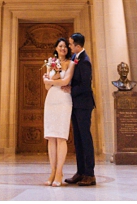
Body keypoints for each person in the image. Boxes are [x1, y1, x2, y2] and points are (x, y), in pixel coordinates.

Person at [41, 37, 76, 186]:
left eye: (65, 47)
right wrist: (54, 72)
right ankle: (52, 171)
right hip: (51, 99)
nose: (63, 49)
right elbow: (47, 87)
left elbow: (65, 81)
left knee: (61, 136)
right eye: (60, 46)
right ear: (56, 48)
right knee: (51, 137)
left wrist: (51, 80)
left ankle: (60, 172)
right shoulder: (50, 63)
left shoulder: (71, 63)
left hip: (64, 99)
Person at [64, 33, 96, 186]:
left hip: (83, 105)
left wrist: (70, 89)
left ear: (77, 45)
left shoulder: (85, 61)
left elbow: (85, 86)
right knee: (77, 139)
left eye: (70, 44)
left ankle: (90, 174)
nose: (69, 47)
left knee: (85, 139)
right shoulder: (75, 58)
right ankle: (80, 171)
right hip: (76, 105)